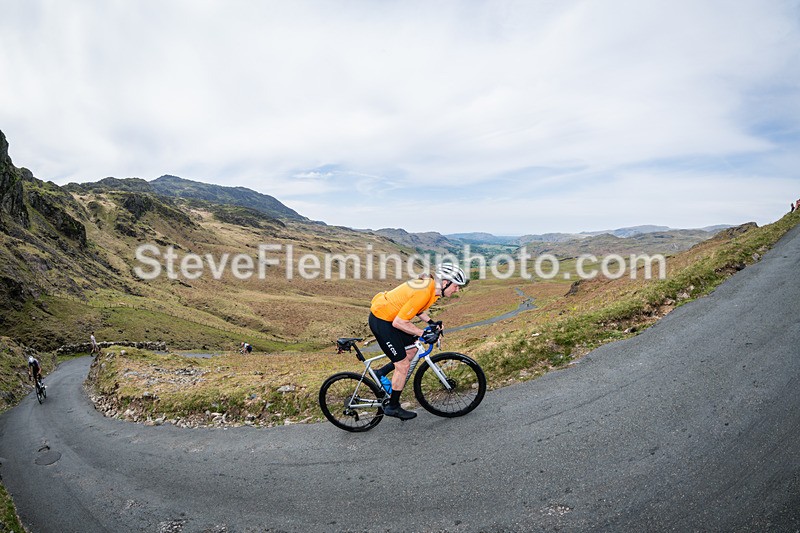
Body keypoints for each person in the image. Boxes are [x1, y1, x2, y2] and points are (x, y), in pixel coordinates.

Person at [369, 263, 469, 420]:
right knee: (403, 365)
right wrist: (423, 334)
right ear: (445, 282)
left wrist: (431, 323)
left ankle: (380, 373)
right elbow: (399, 323)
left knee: (412, 350)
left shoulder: (433, 290)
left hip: (391, 318)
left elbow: (417, 309)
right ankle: (393, 406)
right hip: (382, 320)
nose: (457, 290)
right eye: (456, 286)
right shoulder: (424, 290)